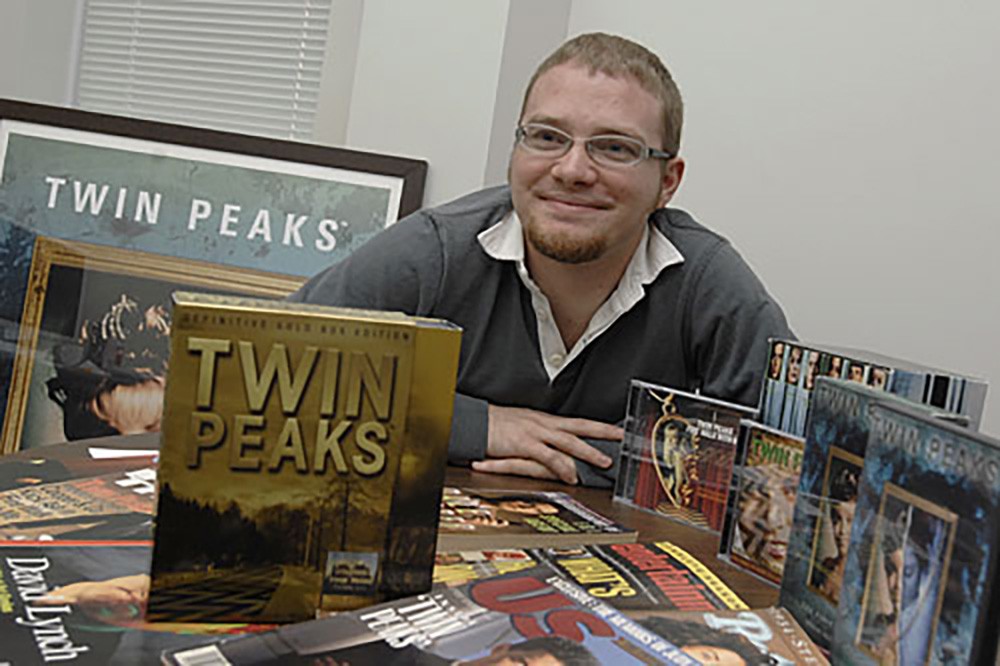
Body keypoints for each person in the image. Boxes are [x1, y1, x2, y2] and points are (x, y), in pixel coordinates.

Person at [293, 33, 793, 487]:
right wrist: (473, 424)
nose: (573, 169)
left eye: (614, 148)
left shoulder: (708, 282)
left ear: (668, 181)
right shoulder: (434, 252)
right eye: (548, 137)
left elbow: (790, 459)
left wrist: (602, 461)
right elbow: (269, 367)